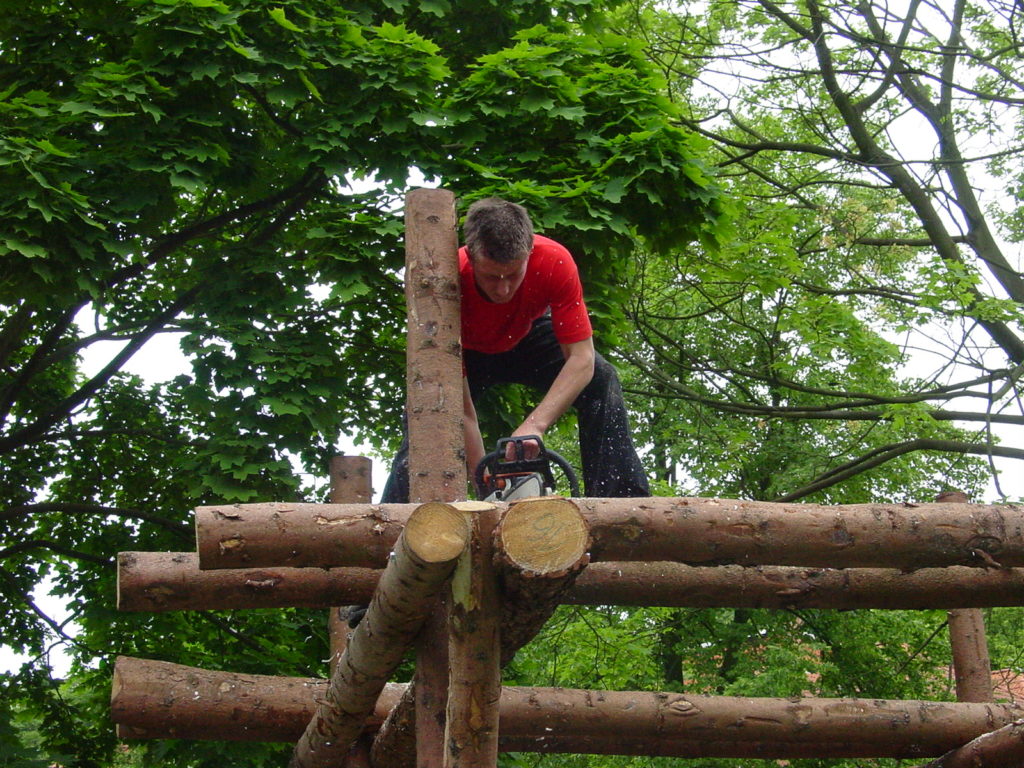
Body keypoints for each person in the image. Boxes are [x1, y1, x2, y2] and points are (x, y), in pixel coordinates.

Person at [381, 197, 649, 503]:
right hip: (465, 350)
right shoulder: (449, 281)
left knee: (602, 379)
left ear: (529, 252)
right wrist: (484, 480)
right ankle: (397, 522)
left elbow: (582, 360)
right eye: (492, 277)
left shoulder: (554, 261)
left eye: (513, 275)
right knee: (429, 409)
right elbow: (463, 412)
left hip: (526, 336)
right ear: (471, 256)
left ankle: (621, 503)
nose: (503, 289)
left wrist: (534, 426)